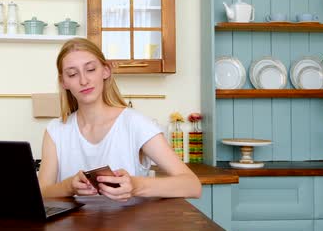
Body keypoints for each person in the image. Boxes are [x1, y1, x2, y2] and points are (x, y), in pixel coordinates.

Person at [38, 38, 202, 201]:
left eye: (90, 69)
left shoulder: (136, 124)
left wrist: (135, 186)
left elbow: (192, 186)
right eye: (72, 74)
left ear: (105, 70)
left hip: (128, 227)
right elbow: (41, 192)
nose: (83, 80)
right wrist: (69, 187)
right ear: (64, 82)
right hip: (72, 228)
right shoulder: (56, 131)